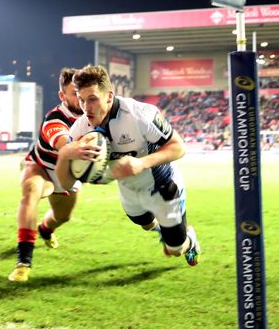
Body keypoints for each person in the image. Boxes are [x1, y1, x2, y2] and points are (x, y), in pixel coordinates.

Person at [54, 65, 201, 266]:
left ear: (109, 96)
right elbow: (65, 183)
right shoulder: (80, 129)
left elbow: (178, 147)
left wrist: (142, 163)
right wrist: (64, 155)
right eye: (81, 100)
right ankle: (164, 230)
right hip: (129, 190)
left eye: (92, 99)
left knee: (175, 249)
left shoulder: (140, 114)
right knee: (146, 223)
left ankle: (189, 241)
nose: (86, 107)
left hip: (163, 187)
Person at [8, 68, 83, 282]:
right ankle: (23, 262)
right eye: (73, 92)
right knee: (30, 191)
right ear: (62, 96)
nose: (79, 97)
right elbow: (65, 146)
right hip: (41, 167)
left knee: (62, 217)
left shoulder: (93, 116)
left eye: (82, 91)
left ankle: (45, 229)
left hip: (67, 176)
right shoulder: (55, 119)